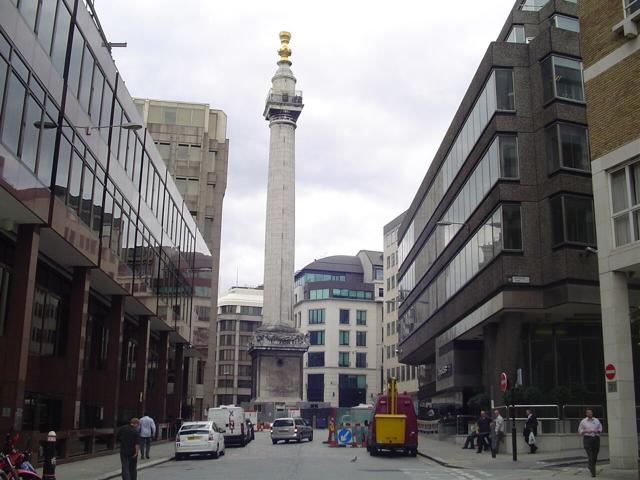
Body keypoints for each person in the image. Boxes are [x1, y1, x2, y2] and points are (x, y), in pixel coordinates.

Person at [578, 409, 602, 477]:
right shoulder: (583, 421)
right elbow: (580, 431)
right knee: (590, 455)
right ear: (586, 414)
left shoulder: (596, 420)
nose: (590, 414)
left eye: (591, 413)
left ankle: (590, 465)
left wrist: (596, 431)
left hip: (596, 439)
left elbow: (600, 429)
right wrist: (586, 431)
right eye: (588, 413)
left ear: (592, 413)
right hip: (587, 439)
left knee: (595, 455)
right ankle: (593, 472)